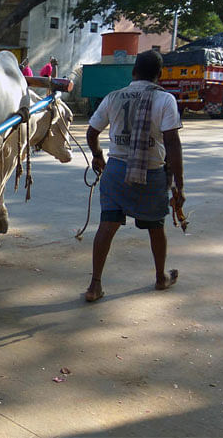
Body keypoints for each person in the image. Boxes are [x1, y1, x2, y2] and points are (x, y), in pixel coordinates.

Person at [84, 49, 184, 302]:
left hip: (116, 171)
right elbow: (172, 143)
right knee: (156, 227)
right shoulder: (165, 100)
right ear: (159, 75)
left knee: (107, 226)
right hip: (150, 173)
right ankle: (160, 277)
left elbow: (91, 133)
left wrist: (97, 155)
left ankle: (95, 285)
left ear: (133, 72)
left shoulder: (113, 97)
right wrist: (179, 185)